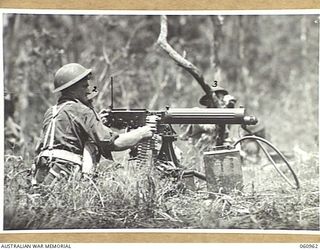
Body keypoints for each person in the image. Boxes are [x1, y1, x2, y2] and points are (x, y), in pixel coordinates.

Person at [33, 63, 154, 187]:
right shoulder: (81, 110)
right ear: (73, 89)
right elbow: (114, 143)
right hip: (64, 175)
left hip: (41, 173)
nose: (88, 90)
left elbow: (42, 146)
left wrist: (97, 124)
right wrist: (142, 133)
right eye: (84, 86)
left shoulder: (51, 111)